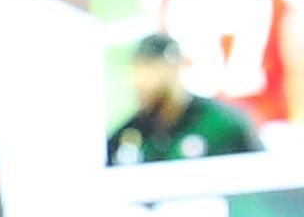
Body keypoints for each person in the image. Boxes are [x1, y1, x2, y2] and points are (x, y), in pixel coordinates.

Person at [106, 31, 256, 165]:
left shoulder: (222, 124)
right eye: (136, 68)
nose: (141, 80)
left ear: (175, 66)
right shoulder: (127, 136)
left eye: (150, 67)